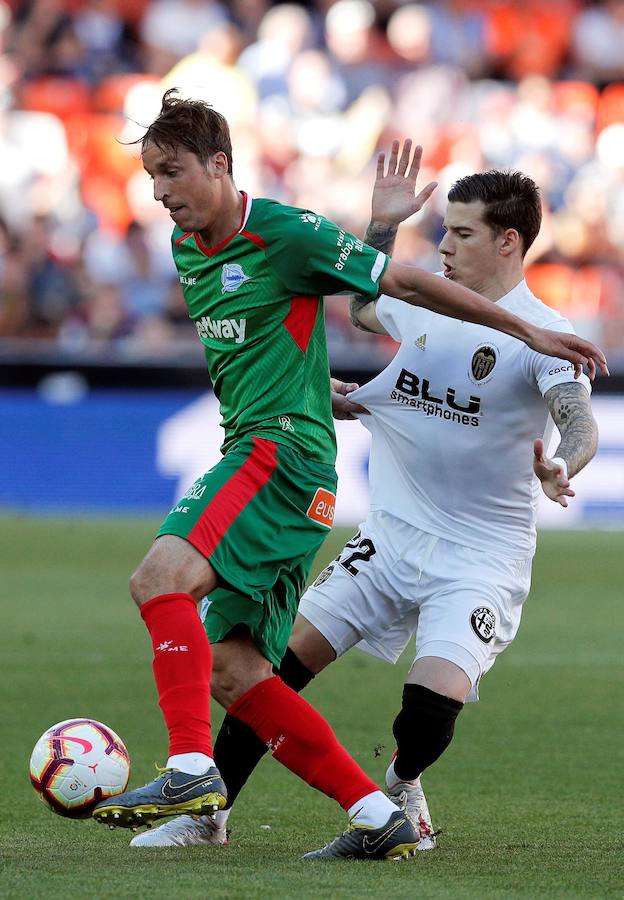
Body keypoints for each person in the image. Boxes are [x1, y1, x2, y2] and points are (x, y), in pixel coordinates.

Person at [94, 91, 606, 860]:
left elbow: (579, 421)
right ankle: (288, 809)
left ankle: (373, 780)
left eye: (461, 234)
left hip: (471, 550)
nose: (445, 246)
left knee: (422, 713)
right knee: (249, 670)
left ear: (508, 243)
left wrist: (562, 463)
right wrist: (381, 227)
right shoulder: (201, 246)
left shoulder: (547, 336)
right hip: (389, 536)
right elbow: (370, 296)